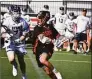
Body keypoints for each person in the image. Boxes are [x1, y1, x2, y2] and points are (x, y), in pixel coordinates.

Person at [1, 5, 29, 79]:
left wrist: (19, 39)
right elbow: (2, 33)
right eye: (15, 13)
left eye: (18, 13)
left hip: (19, 43)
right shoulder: (7, 21)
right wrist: (6, 35)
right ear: (11, 13)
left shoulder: (23, 21)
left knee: (21, 60)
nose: (16, 15)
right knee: (11, 59)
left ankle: (24, 75)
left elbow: (25, 34)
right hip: (10, 42)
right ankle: (14, 65)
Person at [32, 11, 62, 79]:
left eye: (40, 18)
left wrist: (60, 41)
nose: (39, 19)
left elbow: (58, 36)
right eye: (38, 18)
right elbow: (43, 39)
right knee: (48, 72)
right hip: (37, 49)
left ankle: (56, 72)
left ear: (45, 19)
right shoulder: (37, 28)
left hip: (47, 48)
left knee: (42, 60)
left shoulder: (50, 27)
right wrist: (53, 41)